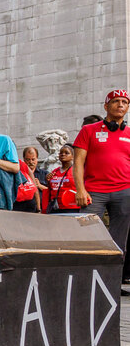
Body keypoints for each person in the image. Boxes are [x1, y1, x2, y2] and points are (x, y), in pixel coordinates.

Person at [73, 89, 130, 282]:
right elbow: (78, 162)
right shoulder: (89, 130)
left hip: (124, 192)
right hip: (93, 192)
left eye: (124, 102)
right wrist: (80, 189)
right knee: (87, 236)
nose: (120, 105)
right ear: (106, 106)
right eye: (116, 101)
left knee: (119, 240)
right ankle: (87, 279)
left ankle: (112, 281)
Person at [44, 144, 79, 213]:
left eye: (66, 153)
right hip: (56, 207)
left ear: (73, 156)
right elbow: (51, 189)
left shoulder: (76, 171)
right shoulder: (54, 172)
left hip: (72, 207)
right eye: (61, 153)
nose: (63, 154)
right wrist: (48, 181)